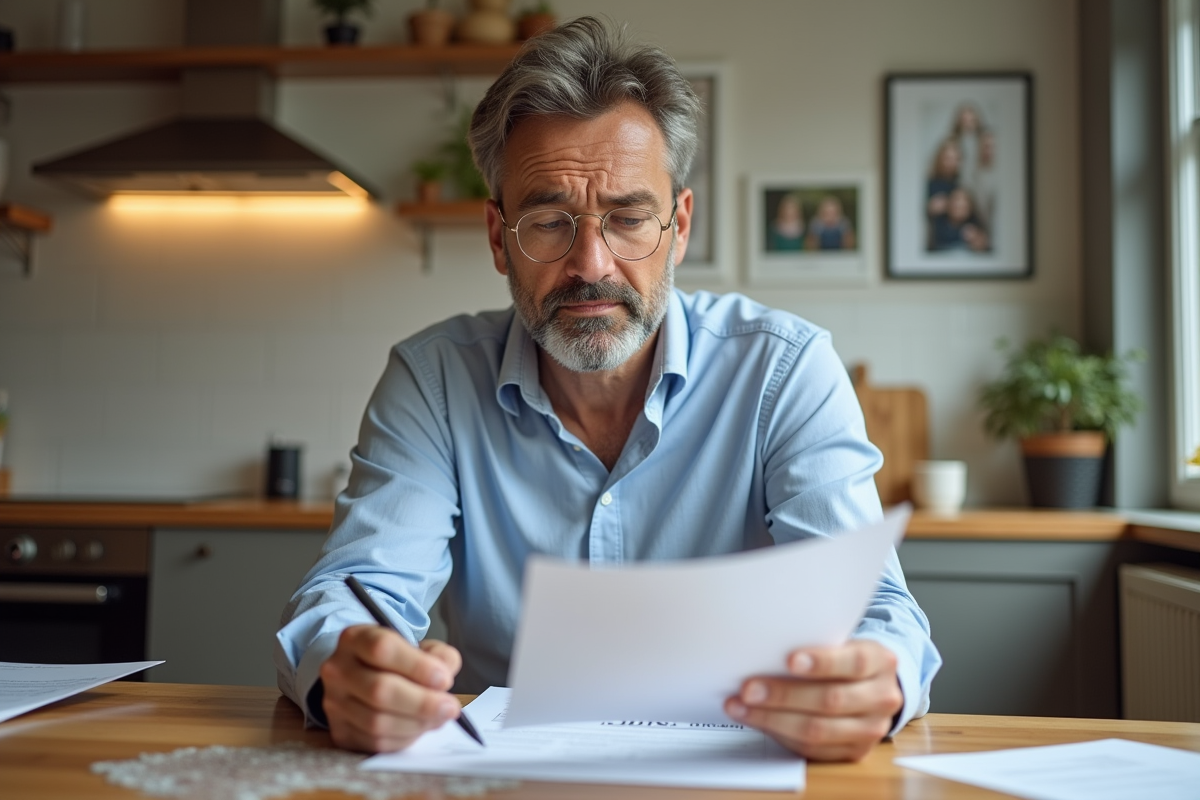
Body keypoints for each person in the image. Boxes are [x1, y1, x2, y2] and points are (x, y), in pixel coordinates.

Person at [275, 16, 941, 764]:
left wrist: (876, 681)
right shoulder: (432, 380)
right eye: (549, 222)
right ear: (498, 238)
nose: (591, 263)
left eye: (627, 218)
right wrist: (346, 672)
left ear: (678, 227)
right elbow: (353, 590)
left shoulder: (785, 371)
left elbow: (878, 612)